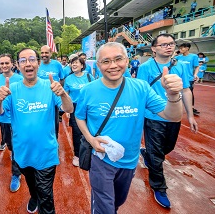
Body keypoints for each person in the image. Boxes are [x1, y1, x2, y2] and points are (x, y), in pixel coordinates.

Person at [75, 42, 183, 213]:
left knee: (118, 201)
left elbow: (173, 116)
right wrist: (91, 139)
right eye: (106, 61)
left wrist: (173, 95)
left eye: (118, 59)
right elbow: (79, 117)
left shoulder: (141, 87)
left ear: (127, 60)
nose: (113, 66)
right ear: (98, 65)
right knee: (104, 207)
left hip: (130, 160)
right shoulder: (88, 90)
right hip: (101, 158)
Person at [0, 48, 73, 214]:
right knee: (31, 183)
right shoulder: (12, 89)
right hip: (22, 152)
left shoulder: (50, 86)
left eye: (31, 59)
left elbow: (69, 108)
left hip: (46, 153)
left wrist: (63, 94)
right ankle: (33, 197)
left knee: (46, 198)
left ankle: (40, 200)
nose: (28, 63)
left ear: (38, 64)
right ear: (18, 65)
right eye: (23, 60)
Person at [137, 33, 198, 208]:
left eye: (171, 43)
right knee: (157, 156)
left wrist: (190, 115)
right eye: (163, 44)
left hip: (174, 114)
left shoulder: (180, 65)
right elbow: (141, 93)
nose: (169, 47)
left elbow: (186, 90)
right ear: (154, 48)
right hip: (153, 116)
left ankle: (148, 154)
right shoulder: (146, 67)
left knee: (168, 147)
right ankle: (159, 187)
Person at [0, 53, 23, 192]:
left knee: (17, 146)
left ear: (12, 64)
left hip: (17, 119)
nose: (4, 66)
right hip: (3, 119)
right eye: (2, 63)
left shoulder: (20, 78)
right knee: (9, 144)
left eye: (6, 63)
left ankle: (16, 174)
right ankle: (18, 160)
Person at [63, 55, 94, 167]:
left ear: (82, 65)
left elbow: (94, 91)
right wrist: (67, 108)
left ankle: (90, 151)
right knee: (77, 131)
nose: (74, 65)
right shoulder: (68, 79)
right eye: (72, 63)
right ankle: (77, 154)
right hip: (75, 107)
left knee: (91, 129)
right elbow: (66, 94)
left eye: (76, 62)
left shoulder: (89, 76)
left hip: (89, 106)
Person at [38, 45, 64, 139]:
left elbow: (62, 79)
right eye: (42, 53)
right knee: (41, 120)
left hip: (54, 98)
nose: (44, 55)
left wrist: (58, 90)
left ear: (51, 53)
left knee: (54, 120)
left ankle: (54, 140)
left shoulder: (57, 64)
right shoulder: (37, 65)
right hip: (40, 98)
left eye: (46, 52)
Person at [176, 43, 200, 115]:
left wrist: (195, 74)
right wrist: (174, 55)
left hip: (189, 78)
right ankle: (176, 107)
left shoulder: (193, 56)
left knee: (189, 92)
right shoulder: (178, 57)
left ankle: (191, 108)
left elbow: (197, 66)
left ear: (187, 48)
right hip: (178, 78)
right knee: (176, 92)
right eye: (179, 48)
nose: (180, 50)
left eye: (182, 48)